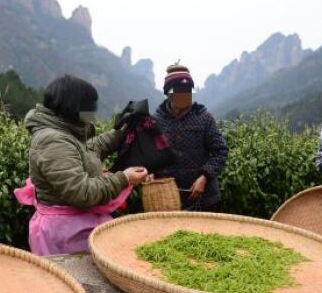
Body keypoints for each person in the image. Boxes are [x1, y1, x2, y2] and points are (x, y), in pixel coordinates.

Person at [15, 75, 148, 255]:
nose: (92, 113)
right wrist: (124, 178)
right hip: (66, 233)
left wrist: (122, 132)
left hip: (75, 225)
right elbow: (82, 193)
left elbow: (91, 149)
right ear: (74, 106)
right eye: (90, 108)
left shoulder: (65, 132)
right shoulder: (53, 141)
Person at [153, 64, 229, 211]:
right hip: (168, 200)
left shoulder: (203, 117)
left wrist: (204, 177)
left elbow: (221, 151)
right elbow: (151, 155)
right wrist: (149, 171)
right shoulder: (157, 120)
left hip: (204, 199)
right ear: (169, 94)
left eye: (187, 91)